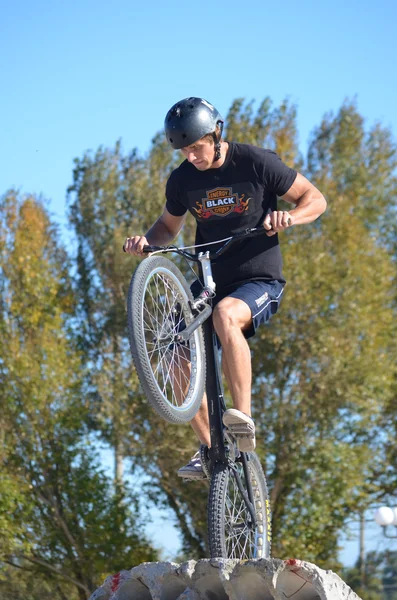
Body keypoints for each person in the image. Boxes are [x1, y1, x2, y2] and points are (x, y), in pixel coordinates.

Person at [124, 97, 327, 479]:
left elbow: (316, 200)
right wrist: (147, 243)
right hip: (210, 278)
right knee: (172, 346)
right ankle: (209, 447)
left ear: (216, 134)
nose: (191, 155)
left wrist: (290, 216)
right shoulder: (183, 178)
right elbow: (167, 228)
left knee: (226, 315)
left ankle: (242, 420)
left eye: (197, 146)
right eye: (184, 150)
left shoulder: (255, 162)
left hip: (258, 278)